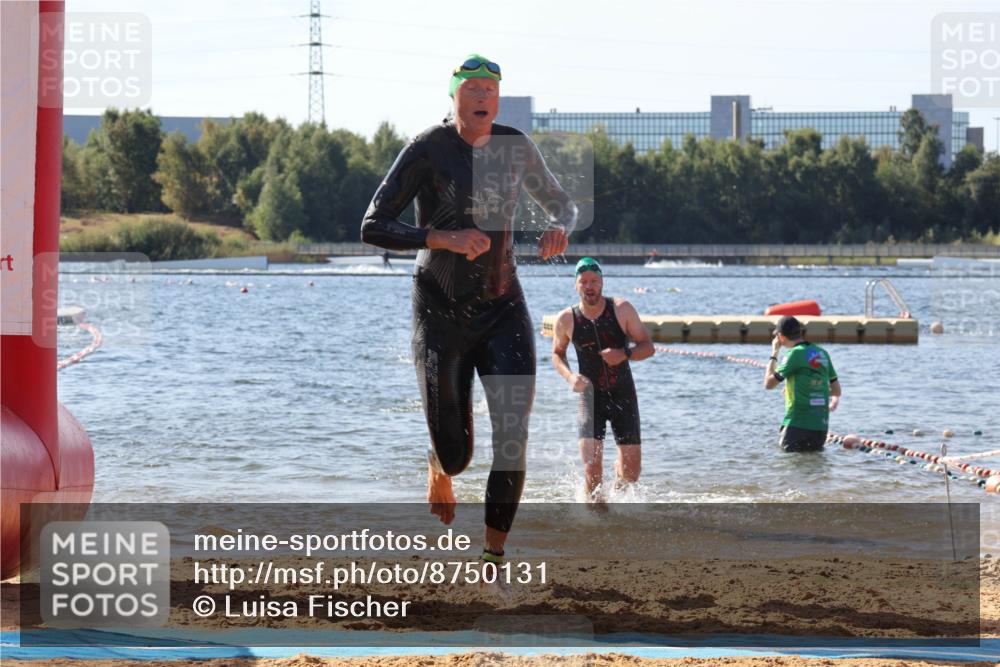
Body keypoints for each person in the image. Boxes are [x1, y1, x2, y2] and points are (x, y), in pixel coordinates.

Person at [361, 55, 577, 563]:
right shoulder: (426, 149)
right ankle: (439, 463)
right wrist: (442, 237)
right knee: (459, 456)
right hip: (439, 312)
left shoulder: (516, 147)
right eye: (472, 88)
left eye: (490, 89)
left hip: (503, 306)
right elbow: (372, 225)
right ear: (454, 96)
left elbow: (562, 203)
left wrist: (559, 225)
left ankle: (493, 557)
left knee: (513, 434)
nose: (483, 96)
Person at [551, 258, 654, 501]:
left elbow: (648, 347)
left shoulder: (622, 309)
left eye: (594, 281)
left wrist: (624, 354)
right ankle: (595, 521)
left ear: (602, 283)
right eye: (584, 282)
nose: (590, 286)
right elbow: (557, 355)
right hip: (590, 399)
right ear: (576, 286)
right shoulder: (567, 319)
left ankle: (616, 490)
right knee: (592, 474)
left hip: (622, 395)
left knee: (631, 473)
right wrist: (569, 376)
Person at [763, 315, 841, 452]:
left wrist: (774, 352)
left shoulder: (794, 354)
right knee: (814, 467)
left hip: (797, 423)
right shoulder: (822, 353)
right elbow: (836, 391)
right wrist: (804, 391)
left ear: (781, 337)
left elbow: (768, 384)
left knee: (789, 466)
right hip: (820, 426)